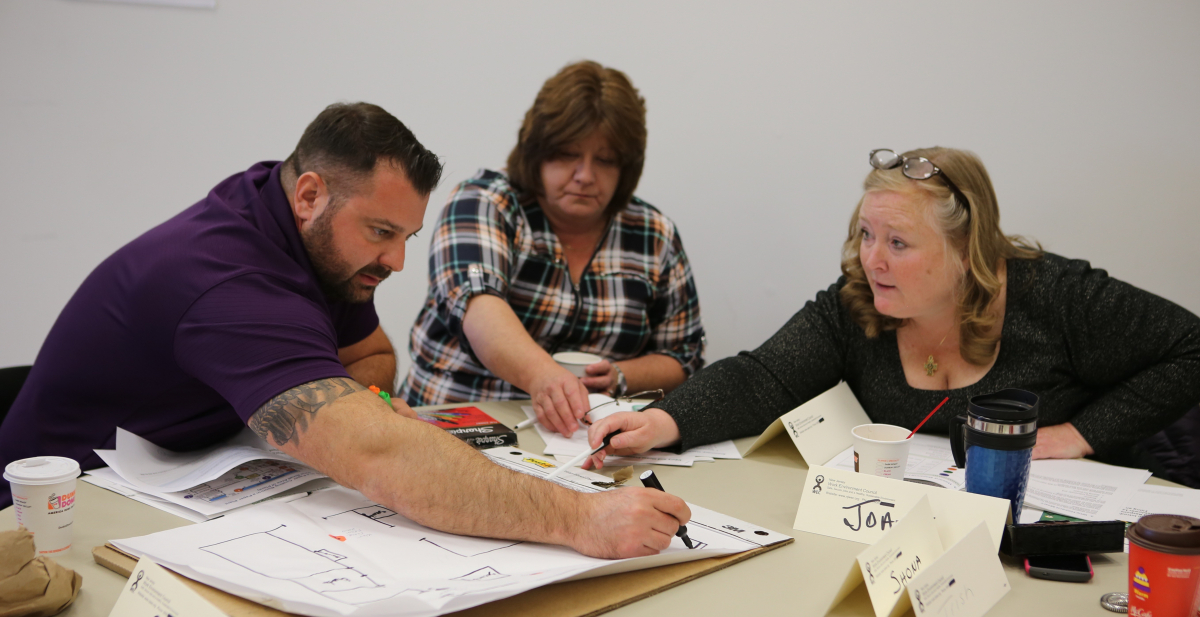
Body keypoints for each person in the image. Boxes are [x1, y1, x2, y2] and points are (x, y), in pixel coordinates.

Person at [0, 103, 689, 559]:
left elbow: (372, 355)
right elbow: (381, 454)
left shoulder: (313, 237)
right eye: (383, 233)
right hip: (57, 519)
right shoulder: (226, 278)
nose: (395, 262)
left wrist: (344, 403)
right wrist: (583, 520)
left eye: (406, 236)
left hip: (178, 479)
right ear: (309, 195)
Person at [585, 147, 1200, 472]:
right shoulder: (859, 301)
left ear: (965, 249)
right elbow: (764, 375)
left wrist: (1081, 434)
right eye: (866, 234)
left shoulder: (1057, 296)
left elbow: (1190, 348)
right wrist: (665, 423)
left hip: (1075, 531)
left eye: (899, 243)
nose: (871, 259)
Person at [401, 61, 706, 438]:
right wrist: (544, 375)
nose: (585, 175)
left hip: (579, 440)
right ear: (536, 151)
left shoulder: (653, 234)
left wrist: (622, 375)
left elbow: (684, 355)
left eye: (606, 160)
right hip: (455, 419)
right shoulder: (485, 201)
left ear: (627, 168)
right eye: (566, 154)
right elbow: (478, 305)